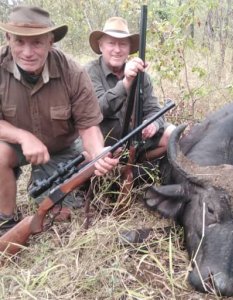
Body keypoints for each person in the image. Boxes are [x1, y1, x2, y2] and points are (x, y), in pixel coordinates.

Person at [0, 6, 119, 232]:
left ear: (50, 41)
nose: (27, 52)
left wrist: (98, 154)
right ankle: (6, 221)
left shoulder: (72, 71)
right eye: (20, 42)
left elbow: (89, 126)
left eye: (36, 42)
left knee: (62, 214)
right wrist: (23, 137)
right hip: (16, 147)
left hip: (63, 149)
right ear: (8, 39)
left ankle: (47, 185)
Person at [85, 17, 176, 162]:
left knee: (173, 135)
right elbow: (99, 109)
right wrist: (126, 82)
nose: (117, 49)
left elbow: (154, 110)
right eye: (111, 43)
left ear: (129, 49)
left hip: (135, 143)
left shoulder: (141, 76)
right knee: (85, 156)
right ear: (101, 46)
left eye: (123, 44)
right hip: (103, 148)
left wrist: (153, 123)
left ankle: (136, 168)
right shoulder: (90, 72)